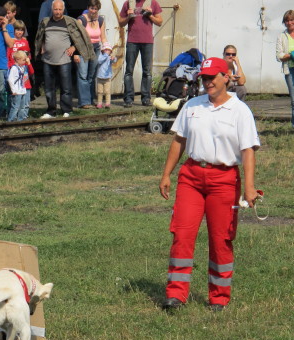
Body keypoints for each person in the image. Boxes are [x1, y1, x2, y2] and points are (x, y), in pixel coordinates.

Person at [159, 57, 260, 312]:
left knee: (221, 238)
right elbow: (178, 141)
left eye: (212, 78)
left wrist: (249, 187)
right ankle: (176, 295)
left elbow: (248, 151)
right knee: (181, 235)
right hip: (191, 177)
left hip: (224, 180)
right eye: (203, 79)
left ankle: (218, 297)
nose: (207, 83)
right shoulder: (193, 105)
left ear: (226, 77)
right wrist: (166, 174)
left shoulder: (240, 111)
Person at [35, 0, 94, 119]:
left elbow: (80, 37)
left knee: (66, 87)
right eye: (55, 9)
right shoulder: (45, 22)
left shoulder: (70, 22)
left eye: (60, 9)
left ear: (63, 9)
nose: (57, 12)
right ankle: (51, 111)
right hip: (48, 60)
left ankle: (67, 110)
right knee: (49, 88)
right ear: (52, 9)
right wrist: (41, 47)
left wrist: (74, 47)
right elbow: (40, 36)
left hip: (64, 60)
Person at [118, 0, 162, 107]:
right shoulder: (128, 3)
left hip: (147, 41)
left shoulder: (152, 3)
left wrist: (150, 15)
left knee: (147, 72)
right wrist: (128, 17)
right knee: (129, 71)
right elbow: (121, 23)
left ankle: (146, 99)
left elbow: (159, 22)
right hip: (132, 41)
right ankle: (128, 99)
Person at [76, 0, 106, 109]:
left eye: (95, 9)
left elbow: (103, 36)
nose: (93, 11)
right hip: (83, 49)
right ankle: (83, 102)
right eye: (91, 8)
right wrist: (75, 53)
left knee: (92, 75)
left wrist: (107, 48)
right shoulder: (81, 20)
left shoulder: (101, 20)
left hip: (96, 48)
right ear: (88, 8)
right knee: (82, 75)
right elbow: (76, 38)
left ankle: (90, 99)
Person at [7, 20, 33, 121]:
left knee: (24, 94)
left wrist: (28, 62)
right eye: (17, 29)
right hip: (13, 69)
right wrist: (10, 66)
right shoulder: (11, 41)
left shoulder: (25, 41)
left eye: (22, 30)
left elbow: (28, 55)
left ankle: (22, 117)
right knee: (13, 96)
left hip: (24, 69)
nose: (19, 32)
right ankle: (11, 117)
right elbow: (8, 55)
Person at [276, 10, 294, 127]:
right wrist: (291, 55)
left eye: (291, 20)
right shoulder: (281, 36)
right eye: (287, 20)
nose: (289, 22)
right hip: (290, 70)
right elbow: (279, 56)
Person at [7, 50, 28, 122]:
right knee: (15, 106)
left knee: (22, 107)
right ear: (18, 59)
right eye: (23, 60)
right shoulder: (14, 68)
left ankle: (20, 120)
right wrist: (13, 90)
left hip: (22, 90)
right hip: (17, 91)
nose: (25, 61)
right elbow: (10, 79)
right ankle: (11, 120)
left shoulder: (23, 67)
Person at [95, 41, 115, 108]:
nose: (107, 51)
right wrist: (105, 55)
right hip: (100, 77)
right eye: (106, 49)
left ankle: (107, 103)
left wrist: (113, 58)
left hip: (107, 78)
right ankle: (99, 103)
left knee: (107, 91)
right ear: (103, 50)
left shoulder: (110, 57)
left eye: (108, 50)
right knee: (100, 91)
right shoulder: (101, 56)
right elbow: (99, 61)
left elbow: (114, 60)